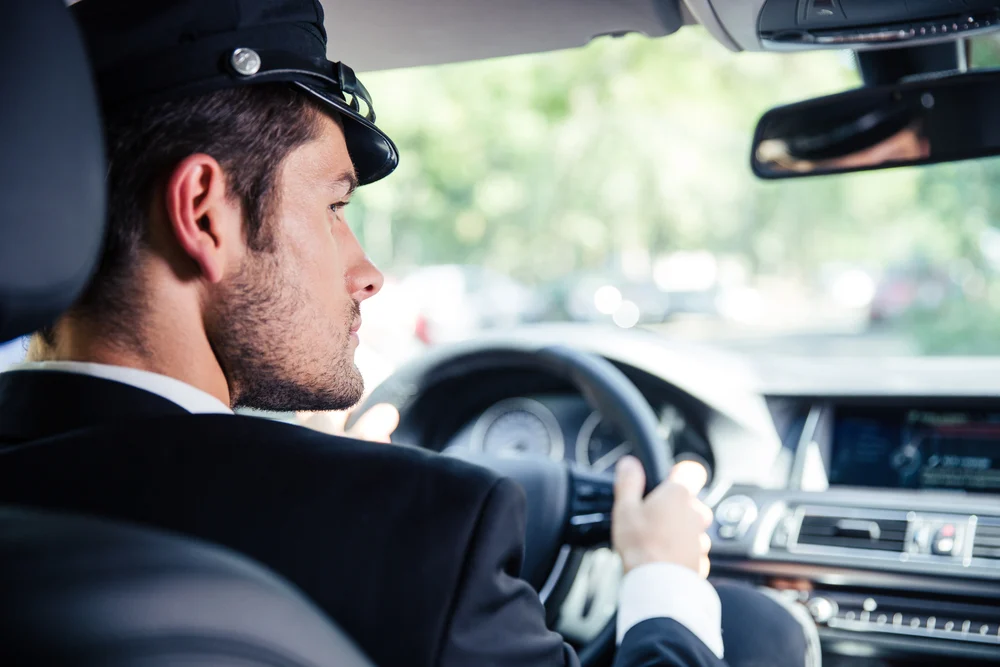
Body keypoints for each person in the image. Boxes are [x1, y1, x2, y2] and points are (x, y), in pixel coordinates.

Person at [0, 1, 814, 666]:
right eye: (335, 207)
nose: (368, 272)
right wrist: (663, 578)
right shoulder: (424, 532)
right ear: (204, 212)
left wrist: (323, 472)